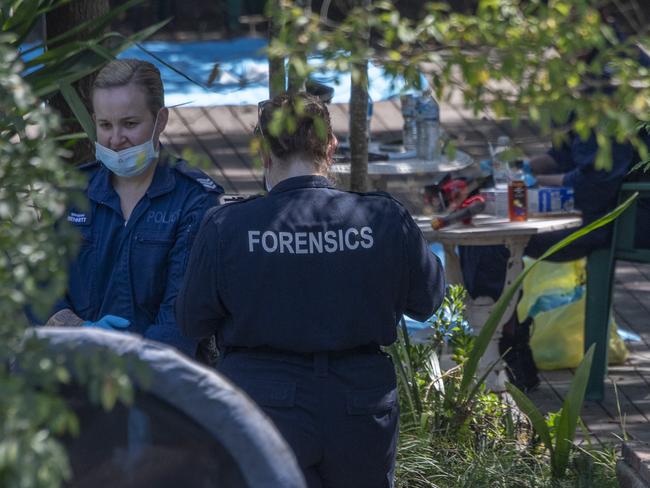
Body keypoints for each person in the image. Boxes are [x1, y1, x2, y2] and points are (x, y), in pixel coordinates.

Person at [176, 92, 445, 487]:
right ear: (331, 148)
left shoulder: (227, 227)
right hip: (360, 403)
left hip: (264, 401)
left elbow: (191, 320)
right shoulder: (383, 217)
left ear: (264, 153)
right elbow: (428, 300)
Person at [45, 59, 223, 360]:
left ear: (161, 120)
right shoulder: (74, 191)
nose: (115, 140)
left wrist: (120, 361)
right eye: (105, 125)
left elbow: (180, 317)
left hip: (161, 383)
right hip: (76, 372)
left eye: (130, 124)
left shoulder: (193, 200)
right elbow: (42, 288)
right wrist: (79, 331)